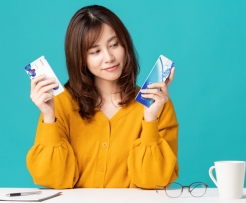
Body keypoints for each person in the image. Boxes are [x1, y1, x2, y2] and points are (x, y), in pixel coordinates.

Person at [26, 5, 178, 189]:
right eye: (95, 51)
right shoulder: (60, 104)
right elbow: (52, 180)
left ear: (125, 45)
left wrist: (150, 118)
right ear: (80, 58)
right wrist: (49, 117)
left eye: (114, 45)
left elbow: (154, 181)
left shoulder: (158, 102)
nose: (109, 57)